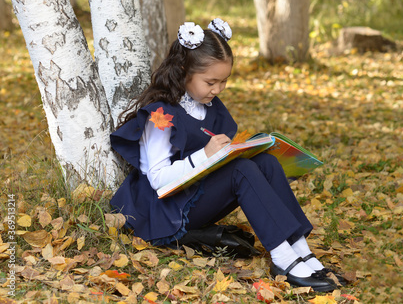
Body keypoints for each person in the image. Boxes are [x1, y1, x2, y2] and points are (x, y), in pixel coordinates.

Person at [110, 18, 340, 292]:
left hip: (193, 198)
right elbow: (158, 180)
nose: (217, 89)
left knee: (265, 162)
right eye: (210, 82)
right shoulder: (161, 115)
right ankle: (282, 258)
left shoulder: (209, 105)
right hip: (165, 213)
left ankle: (299, 249)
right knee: (241, 171)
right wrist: (205, 155)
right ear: (184, 71)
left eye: (224, 81)